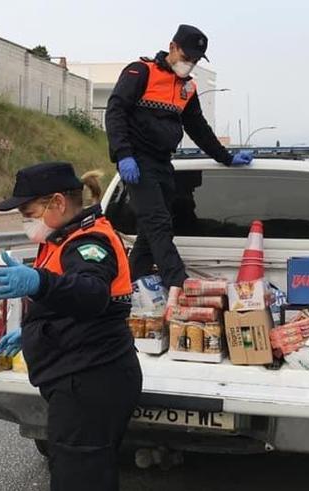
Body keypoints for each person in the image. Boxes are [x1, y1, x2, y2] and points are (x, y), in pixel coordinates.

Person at [0, 162, 142, 491]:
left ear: (57, 203)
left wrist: (37, 281)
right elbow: (69, 303)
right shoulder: (61, 238)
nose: (26, 221)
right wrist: (34, 332)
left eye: (28, 212)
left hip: (91, 380)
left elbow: (91, 293)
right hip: (83, 377)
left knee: (79, 482)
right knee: (83, 475)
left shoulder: (88, 243)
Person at [105, 24, 254, 310]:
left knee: (152, 232)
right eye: (187, 56)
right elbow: (115, 112)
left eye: (196, 60)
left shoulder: (187, 87)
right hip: (137, 161)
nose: (190, 64)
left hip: (163, 162)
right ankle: (180, 283)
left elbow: (198, 127)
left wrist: (225, 156)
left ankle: (126, 287)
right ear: (172, 48)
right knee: (159, 223)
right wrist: (123, 154)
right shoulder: (140, 72)